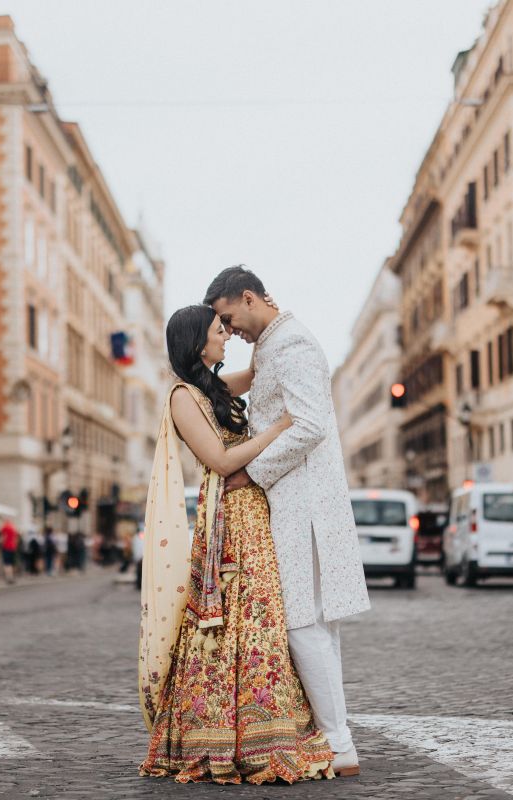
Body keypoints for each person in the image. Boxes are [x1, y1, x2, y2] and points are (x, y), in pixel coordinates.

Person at [139, 303, 334, 784]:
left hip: (254, 514)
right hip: (228, 519)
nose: (225, 335)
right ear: (195, 341)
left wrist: (277, 328)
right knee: (231, 624)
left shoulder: (213, 387)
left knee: (262, 619)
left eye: (226, 327)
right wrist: (280, 428)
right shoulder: (184, 396)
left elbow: (262, 368)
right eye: (217, 330)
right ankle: (224, 735)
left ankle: (265, 727)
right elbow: (222, 461)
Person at [206, 266, 370, 776]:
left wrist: (250, 473)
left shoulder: (292, 345)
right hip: (298, 501)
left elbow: (311, 425)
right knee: (314, 624)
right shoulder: (272, 346)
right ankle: (333, 735)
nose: (229, 331)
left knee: (303, 622)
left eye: (229, 318)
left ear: (250, 298)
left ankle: (339, 742)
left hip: (306, 505)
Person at [0, 518, 19, 584]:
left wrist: (0, 543)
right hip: (13, 547)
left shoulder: (4, 527)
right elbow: (16, 539)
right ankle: (12, 576)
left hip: (6, 547)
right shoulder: (13, 527)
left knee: (7, 563)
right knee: (12, 563)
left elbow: (3, 538)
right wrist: (15, 546)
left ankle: (8, 577)